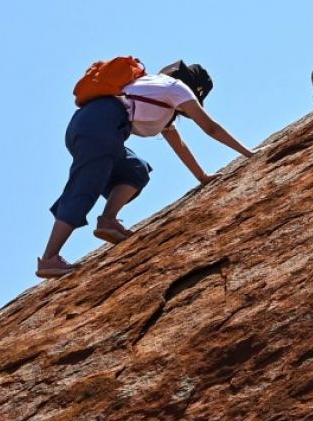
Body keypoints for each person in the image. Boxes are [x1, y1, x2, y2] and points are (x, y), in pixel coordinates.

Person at [38, 61, 249, 278]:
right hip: (101, 126)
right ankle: (49, 259)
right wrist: (250, 155)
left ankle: (108, 221)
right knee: (86, 187)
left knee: (135, 169)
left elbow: (179, 144)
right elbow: (211, 127)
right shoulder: (175, 88)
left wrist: (202, 177)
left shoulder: (152, 89)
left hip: (88, 125)